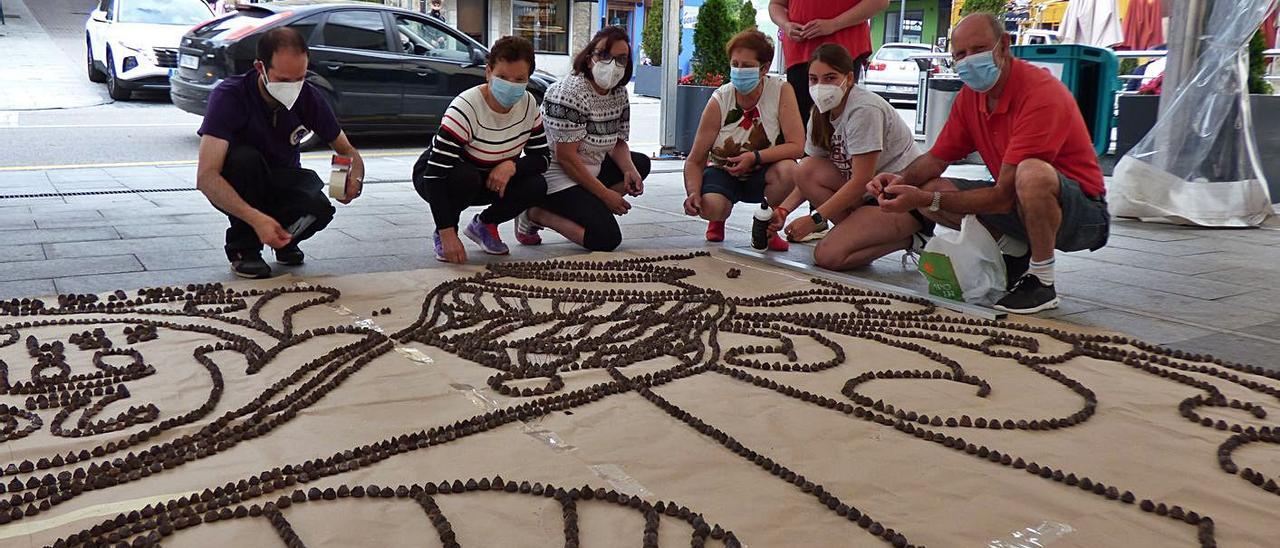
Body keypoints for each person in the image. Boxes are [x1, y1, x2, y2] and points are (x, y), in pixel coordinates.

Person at [873, 14, 1110, 314]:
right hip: (1016, 200)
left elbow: (1002, 197)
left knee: (1031, 174)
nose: (969, 60)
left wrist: (923, 198)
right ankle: (1013, 255)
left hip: (1082, 213)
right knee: (929, 186)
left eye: (979, 49)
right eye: (960, 54)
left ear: (1004, 46)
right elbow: (935, 159)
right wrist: (899, 181)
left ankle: (1042, 279)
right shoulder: (970, 98)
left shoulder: (1040, 94)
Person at [196, 27, 364, 279]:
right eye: (284, 80)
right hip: (242, 181)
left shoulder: (309, 97)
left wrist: (353, 178)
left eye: (300, 78)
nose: (293, 88)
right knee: (245, 160)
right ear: (260, 68)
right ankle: (245, 249)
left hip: (283, 178)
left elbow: (346, 150)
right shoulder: (230, 96)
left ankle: (284, 240)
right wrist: (255, 219)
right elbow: (206, 176)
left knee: (319, 208)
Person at [772, 43, 925, 270]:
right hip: (867, 193)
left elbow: (860, 180)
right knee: (806, 168)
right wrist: (782, 211)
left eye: (830, 78)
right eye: (814, 79)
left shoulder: (864, 110)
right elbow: (806, 177)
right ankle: (856, 234)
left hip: (897, 197)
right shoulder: (819, 114)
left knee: (827, 256)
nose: (820, 86)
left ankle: (914, 238)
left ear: (850, 78)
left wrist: (815, 220)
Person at [412, 36, 549, 263]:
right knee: (465, 177)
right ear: (488, 73)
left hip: (491, 176)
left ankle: (485, 224)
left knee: (536, 184)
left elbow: (543, 158)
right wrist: (446, 232)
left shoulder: (529, 105)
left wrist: (511, 165)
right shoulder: (466, 107)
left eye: (519, 79)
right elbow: (435, 175)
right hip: (441, 176)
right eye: (503, 77)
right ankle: (446, 230)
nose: (511, 85)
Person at [517, 26, 650, 252]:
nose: (613, 64)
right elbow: (566, 157)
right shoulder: (569, 92)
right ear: (590, 59)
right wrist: (605, 195)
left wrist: (629, 170)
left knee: (640, 164)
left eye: (621, 59)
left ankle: (589, 207)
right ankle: (535, 214)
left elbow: (617, 141)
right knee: (606, 238)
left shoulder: (619, 92)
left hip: (591, 166)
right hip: (558, 175)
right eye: (604, 55)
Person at [682, 29, 804, 250]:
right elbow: (695, 159)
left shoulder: (781, 91)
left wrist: (755, 157)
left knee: (791, 173)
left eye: (747, 66)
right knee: (712, 205)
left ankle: (767, 226)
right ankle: (717, 219)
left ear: (764, 68)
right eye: (735, 64)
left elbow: (797, 146)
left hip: (764, 170)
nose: (739, 71)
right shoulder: (720, 99)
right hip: (723, 171)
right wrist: (693, 193)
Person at [767, 0, 886, 128]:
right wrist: (786, 25)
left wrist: (834, 24)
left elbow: (879, 2)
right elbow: (776, 5)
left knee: (841, 119)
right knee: (801, 119)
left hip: (844, 50)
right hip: (799, 53)